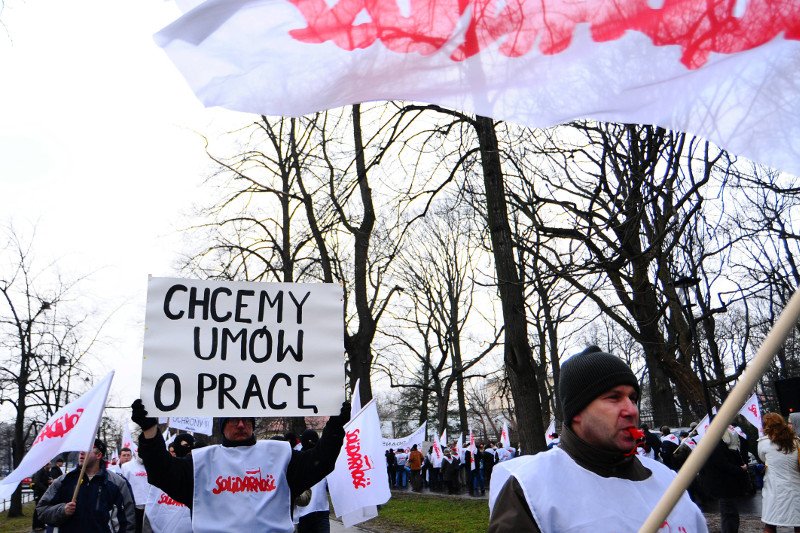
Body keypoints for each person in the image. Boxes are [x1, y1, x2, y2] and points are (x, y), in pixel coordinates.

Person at [488, 345, 707, 532]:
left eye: (633, 398)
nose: (631, 410)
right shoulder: (532, 489)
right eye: (613, 398)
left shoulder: (667, 479)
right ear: (577, 413)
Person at [131, 399, 348, 533]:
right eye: (233, 419)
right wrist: (150, 431)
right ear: (222, 425)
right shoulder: (201, 462)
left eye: (246, 419)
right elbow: (162, 472)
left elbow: (321, 461)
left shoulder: (280, 455)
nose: (241, 424)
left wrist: (335, 426)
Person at [36, 438, 136, 533]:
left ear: (99, 455)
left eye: (88, 449)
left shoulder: (117, 483)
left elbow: (128, 520)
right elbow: (41, 510)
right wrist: (63, 510)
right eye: (81, 449)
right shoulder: (63, 481)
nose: (81, 452)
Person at [700, 428, 750, 533]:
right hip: (722, 485)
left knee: (730, 513)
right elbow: (722, 464)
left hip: (724, 485)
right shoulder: (715, 444)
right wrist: (740, 469)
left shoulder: (715, 442)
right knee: (729, 513)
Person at [757, 412, 800, 533]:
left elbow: (763, 459)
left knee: (770, 525)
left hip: (774, 490)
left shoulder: (763, 443)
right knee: (798, 523)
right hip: (795, 489)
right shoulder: (796, 442)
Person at [120, 449, 152, 533]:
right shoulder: (126, 466)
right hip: (133, 505)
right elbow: (123, 485)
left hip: (150, 504)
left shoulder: (151, 465)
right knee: (135, 528)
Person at [31, 462, 52, 531]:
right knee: (37, 509)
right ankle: (35, 526)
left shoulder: (46, 471)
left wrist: (49, 481)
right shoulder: (40, 471)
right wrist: (46, 489)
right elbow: (37, 482)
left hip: (42, 493)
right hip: (38, 493)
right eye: (49, 464)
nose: (50, 466)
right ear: (46, 465)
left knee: (42, 509)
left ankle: (41, 525)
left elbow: (44, 481)